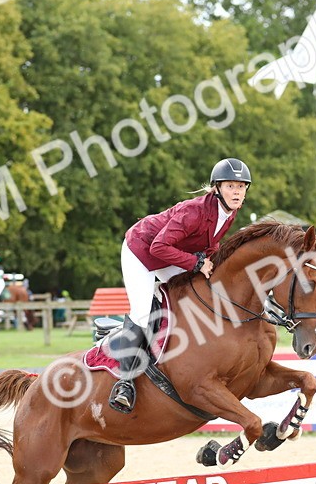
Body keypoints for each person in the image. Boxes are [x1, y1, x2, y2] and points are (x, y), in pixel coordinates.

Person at [107, 157, 251, 413]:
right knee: (141, 312)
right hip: (140, 251)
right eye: (230, 186)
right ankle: (124, 384)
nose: (236, 192)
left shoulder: (230, 212)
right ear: (217, 188)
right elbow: (158, 247)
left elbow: (210, 244)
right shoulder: (194, 211)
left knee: (200, 288)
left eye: (241, 186)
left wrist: (207, 262)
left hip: (169, 253)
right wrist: (196, 264)